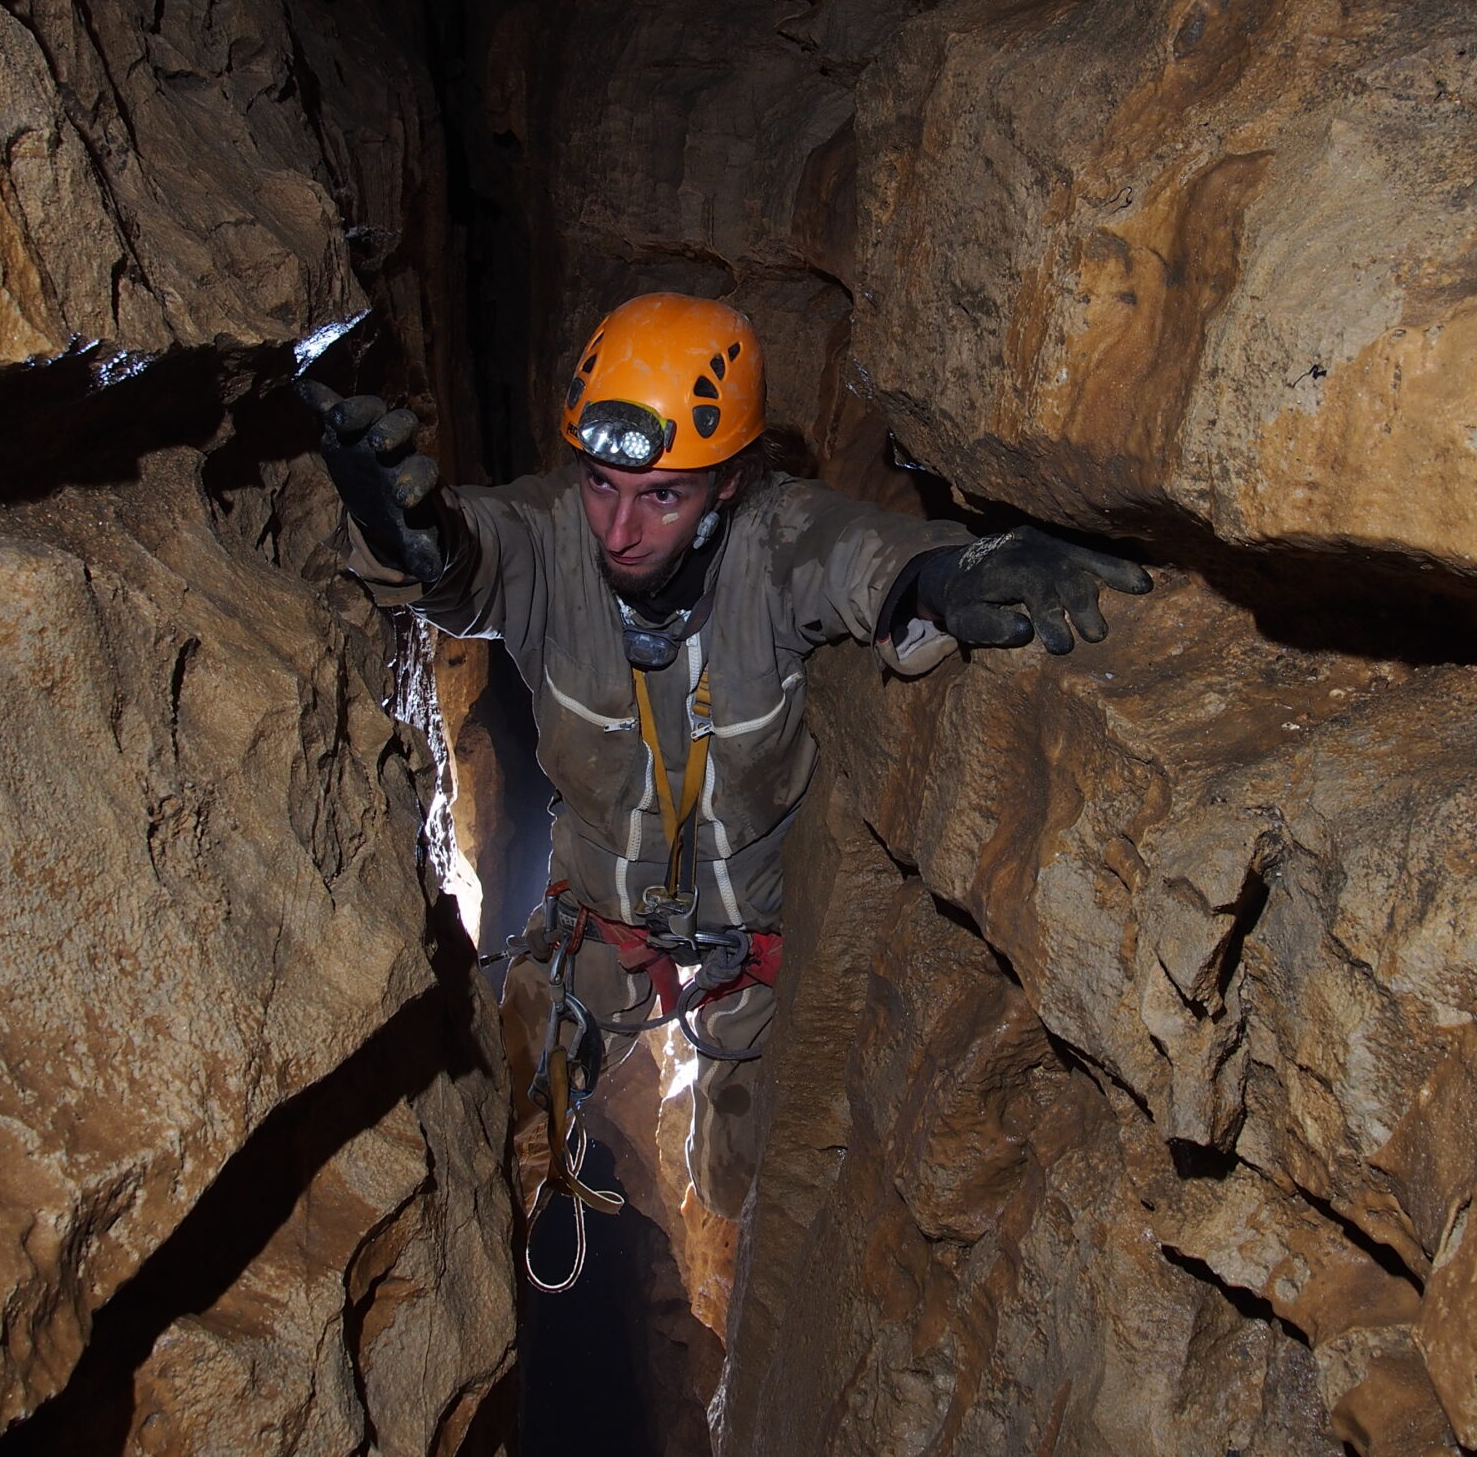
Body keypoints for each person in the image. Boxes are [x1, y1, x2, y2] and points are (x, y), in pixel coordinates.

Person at [298, 292, 1149, 1248]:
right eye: (602, 483)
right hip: (600, 918)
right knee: (499, 1099)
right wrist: (404, 539)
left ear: (730, 482)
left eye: (663, 495)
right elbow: (471, 555)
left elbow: (866, 560)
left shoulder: (775, 539)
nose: (619, 529)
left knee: (738, 1187)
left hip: (755, 944)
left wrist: (949, 576)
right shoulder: (552, 536)